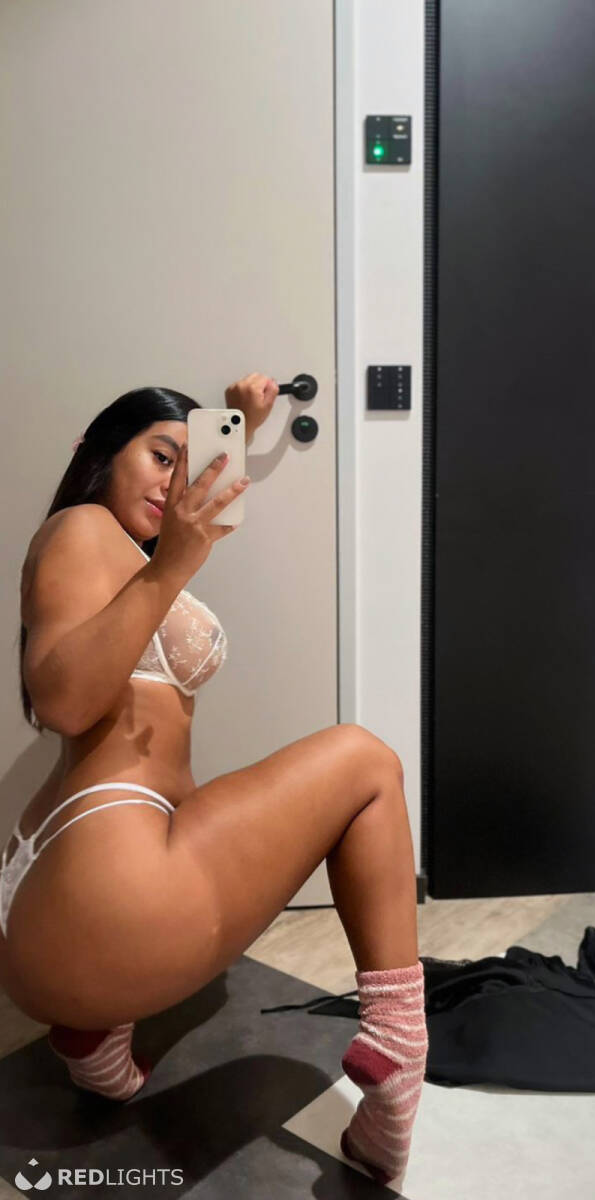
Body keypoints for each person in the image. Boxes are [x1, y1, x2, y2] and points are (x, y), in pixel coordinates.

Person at [0, 375, 428, 1185]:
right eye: (160, 457)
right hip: (105, 888)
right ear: (98, 455)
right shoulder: (82, 527)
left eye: (187, 464)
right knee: (366, 761)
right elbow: (62, 702)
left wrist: (246, 426)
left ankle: (94, 1037)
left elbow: (196, 509)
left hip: (47, 914)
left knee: (198, 812)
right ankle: (401, 1042)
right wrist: (171, 565)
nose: (174, 483)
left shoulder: (118, 554)